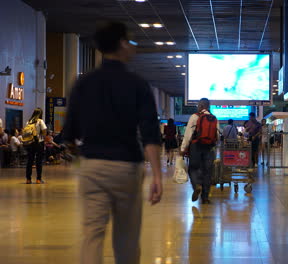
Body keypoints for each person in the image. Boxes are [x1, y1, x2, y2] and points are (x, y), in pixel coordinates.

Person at [63, 21, 163, 264]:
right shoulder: (137, 84)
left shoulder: (83, 83)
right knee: (127, 236)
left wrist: (81, 159)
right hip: (126, 167)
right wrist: (157, 176)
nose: (133, 47)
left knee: (92, 235)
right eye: (130, 41)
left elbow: (69, 134)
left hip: (92, 166)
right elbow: (150, 133)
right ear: (121, 44)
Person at [181, 98, 220, 204]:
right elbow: (217, 136)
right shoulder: (214, 118)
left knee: (193, 168)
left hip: (196, 146)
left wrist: (183, 148)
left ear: (200, 106)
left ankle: (196, 185)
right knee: (207, 172)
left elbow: (188, 134)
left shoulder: (194, 117)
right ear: (209, 106)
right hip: (209, 148)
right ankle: (205, 197)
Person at [24, 108, 47, 183]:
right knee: (38, 161)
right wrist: (42, 136)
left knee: (30, 161)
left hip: (30, 143)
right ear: (40, 114)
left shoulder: (28, 122)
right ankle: (38, 179)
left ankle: (28, 179)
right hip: (39, 142)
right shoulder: (40, 121)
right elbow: (44, 131)